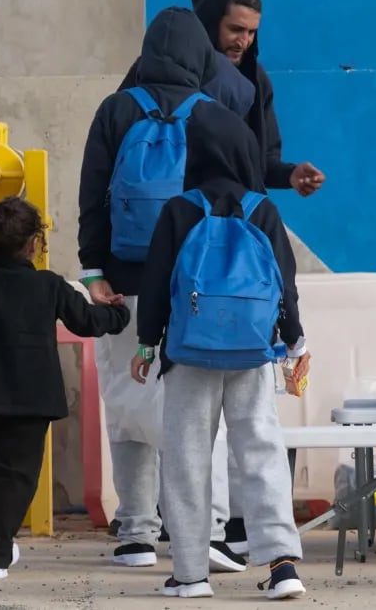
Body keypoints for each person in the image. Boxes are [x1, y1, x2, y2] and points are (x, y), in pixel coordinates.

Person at [78, 6, 251, 571]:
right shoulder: (220, 116)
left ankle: (135, 531)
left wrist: (93, 271)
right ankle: (208, 529)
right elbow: (243, 209)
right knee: (203, 410)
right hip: (200, 290)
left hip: (125, 283)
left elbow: (93, 196)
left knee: (127, 404)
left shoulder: (116, 110)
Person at [131, 93, 309, 600]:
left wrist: (147, 346)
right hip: (253, 354)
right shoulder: (264, 209)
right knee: (261, 450)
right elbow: (285, 285)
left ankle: (190, 574)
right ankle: (281, 565)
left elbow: (157, 283)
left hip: (189, 354)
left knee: (187, 457)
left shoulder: (179, 210)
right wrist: (294, 342)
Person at [0, 196, 130, 581]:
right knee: (17, 476)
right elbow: (86, 322)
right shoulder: (47, 285)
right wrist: (119, 311)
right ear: (34, 243)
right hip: (31, 400)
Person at [119, 0, 325, 197]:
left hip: (224, 222)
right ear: (209, 22)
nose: (244, 42)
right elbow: (116, 144)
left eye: (251, 32)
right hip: (156, 214)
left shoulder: (255, 81)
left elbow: (261, 162)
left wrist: (290, 175)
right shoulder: (154, 69)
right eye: (236, 29)